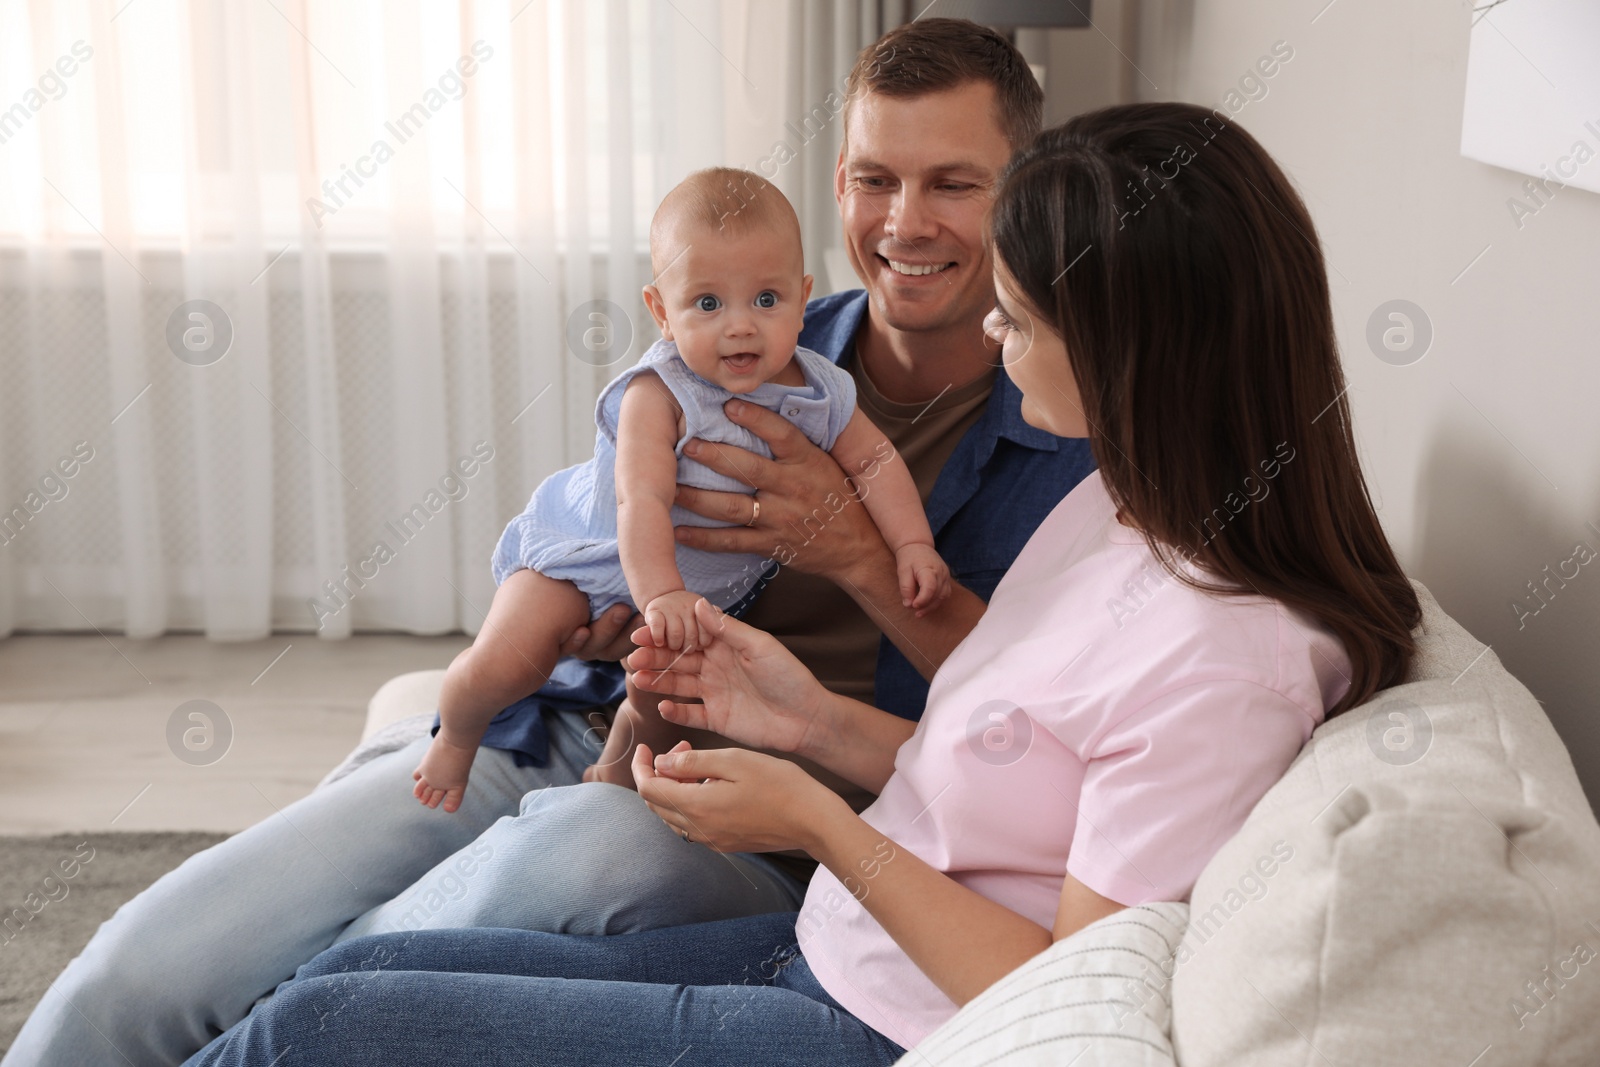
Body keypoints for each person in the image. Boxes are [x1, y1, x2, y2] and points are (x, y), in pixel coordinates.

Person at [178, 99, 1425, 1066]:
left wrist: (816, 816)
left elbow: (1060, 983)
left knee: (318, 1029)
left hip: (872, 1025)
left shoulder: (1230, 660)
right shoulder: (1121, 510)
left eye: (1022, 319)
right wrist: (801, 717)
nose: (992, 338)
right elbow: (996, 778)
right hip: (829, 945)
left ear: (1131, 350)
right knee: (316, 992)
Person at [5, 19, 1096, 1067]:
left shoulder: (1073, 440)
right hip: (568, 712)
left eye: (952, 182)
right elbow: (580, 518)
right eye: (873, 179)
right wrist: (588, 606)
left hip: (765, 820)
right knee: (146, 966)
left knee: (383, 963)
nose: (904, 222)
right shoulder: (754, 329)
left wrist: (860, 555)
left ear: (1023, 184)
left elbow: (1024, 738)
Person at [415, 166, 950, 808]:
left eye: (766, 300)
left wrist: (913, 545)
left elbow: (875, 461)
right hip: (589, 559)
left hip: (689, 595)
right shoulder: (659, 392)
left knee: (667, 695)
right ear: (660, 312)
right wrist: (659, 591)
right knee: (506, 662)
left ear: (803, 298)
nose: (741, 326)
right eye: (707, 304)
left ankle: (612, 775)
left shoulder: (820, 390)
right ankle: (458, 735)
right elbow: (638, 499)